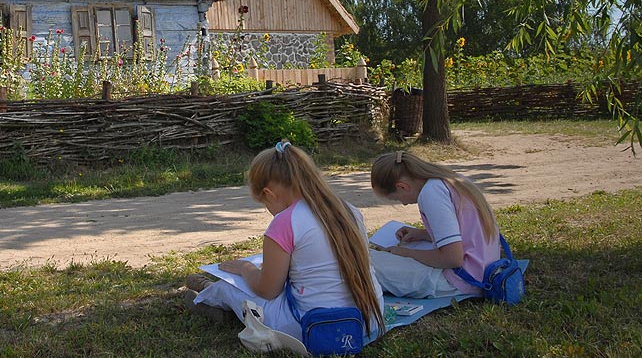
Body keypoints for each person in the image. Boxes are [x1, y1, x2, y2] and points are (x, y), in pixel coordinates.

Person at [185, 140, 385, 343]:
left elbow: (268, 290)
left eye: (264, 204)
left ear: (269, 194)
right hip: (369, 322)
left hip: (314, 327)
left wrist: (245, 268)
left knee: (230, 288)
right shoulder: (348, 209)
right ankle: (211, 294)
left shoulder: (285, 221)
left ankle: (204, 298)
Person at [369, 150, 501, 298]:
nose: (404, 204)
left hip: (461, 280)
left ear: (402, 187)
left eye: (397, 198)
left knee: (363, 262)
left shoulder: (431, 194)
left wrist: (406, 254)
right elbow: (466, 234)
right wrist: (422, 234)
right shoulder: (452, 179)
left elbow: (452, 258)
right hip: (483, 270)